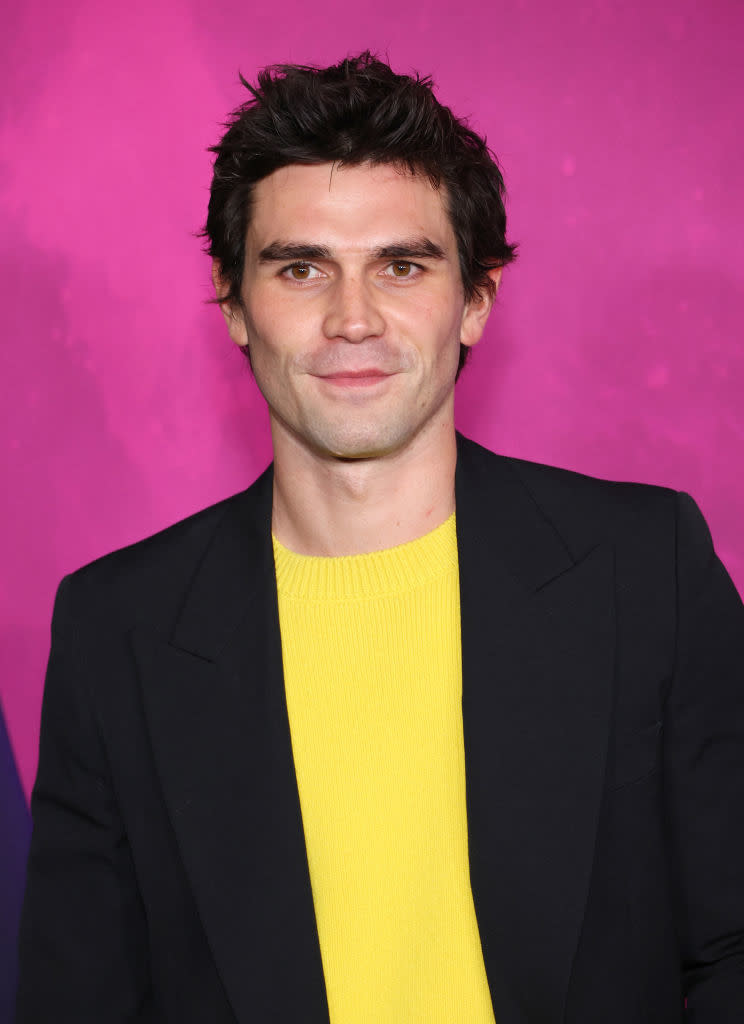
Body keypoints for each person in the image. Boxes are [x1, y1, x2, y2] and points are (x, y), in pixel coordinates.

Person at [15, 53, 744, 1024]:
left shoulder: (647, 568)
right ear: (233, 302)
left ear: (475, 298)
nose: (351, 319)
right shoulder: (118, 630)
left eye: (401, 266)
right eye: (301, 267)